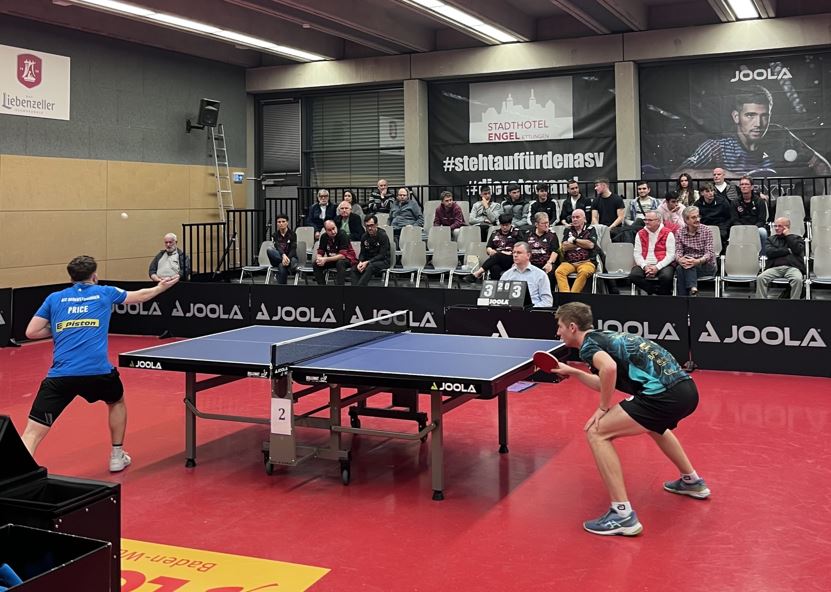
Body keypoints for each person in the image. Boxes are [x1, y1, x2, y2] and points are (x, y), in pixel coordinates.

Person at [552, 301, 710, 537]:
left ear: (572, 327)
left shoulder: (588, 346)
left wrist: (603, 408)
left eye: (560, 326)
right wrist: (574, 372)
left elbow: (609, 369)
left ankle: (622, 515)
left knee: (597, 432)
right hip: (686, 391)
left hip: (662, 396)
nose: (558, 332)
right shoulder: (605, 337)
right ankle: (692, 481)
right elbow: (605, 379)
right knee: (655, 426)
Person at [21, 255, 179, 470]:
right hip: (98, 373)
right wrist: (161, 287)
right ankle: (117, 456)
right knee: (116, 401)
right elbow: (141, 296)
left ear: (71, 277)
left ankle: (17, 474)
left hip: (60, 376)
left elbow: (31, 332)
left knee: (32, 432)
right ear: (94, 276)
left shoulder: (54, 298)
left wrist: (61, 327)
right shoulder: (105, 292)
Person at [676, 89, 773, 177]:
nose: (758, 124)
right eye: (750, 115)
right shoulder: (715, 148)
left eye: (764, 116)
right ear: (736, 117)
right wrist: (724, 175)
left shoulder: (776, 149)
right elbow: (676, 176)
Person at [462, 213, 523, 283]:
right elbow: (488, 247)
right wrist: (490, 251)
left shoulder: (517, 233)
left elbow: (522, 248)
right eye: (502, 225)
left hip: (512, 259)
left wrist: (510, 253)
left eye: (507, 225)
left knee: (497, 256)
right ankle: (496, 285)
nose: (504, 227)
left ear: (510, 224)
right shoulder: (495, 233)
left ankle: (477, 273)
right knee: (494, 267)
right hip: (497, 259)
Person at [756, 216, 805, 300]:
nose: (776, 228)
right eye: (775, 226)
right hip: (775, 268)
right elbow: (770, 253)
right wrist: (787, 250)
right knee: (761, 278)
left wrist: (788, 236)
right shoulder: (770, 239)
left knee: (797, 279)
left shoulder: (797, 238)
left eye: (780, 226)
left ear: (787, 227)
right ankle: (761, 302)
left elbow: (797, 250)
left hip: (792, 268)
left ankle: (795, 302)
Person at [630, 210, 676, 295]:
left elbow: (671, 255)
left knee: (666, 277)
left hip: (663, 263)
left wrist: (657, 267)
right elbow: (637, 254)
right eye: (645, 220)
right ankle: (654, 291)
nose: (646, 222)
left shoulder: (668, 233)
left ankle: (664, 296)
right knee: (634, 276)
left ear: (658, 221)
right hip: (645, 263)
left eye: (650, 220)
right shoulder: (640, 233)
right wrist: (644, 266)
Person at [674, 206, 716, 296]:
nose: (697, 219)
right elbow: (678, 251)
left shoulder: (706, 230)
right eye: (693, 217)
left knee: (682, 268)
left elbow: (709, 253)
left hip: (705, 265)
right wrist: (680, 259)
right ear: (686, 220)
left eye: (698, 216)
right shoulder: (679, 232)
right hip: (688, 263)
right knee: (682, 266)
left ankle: (683, 299)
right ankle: (692, 290)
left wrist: (697, 261)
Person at [498, 242, 553, 307]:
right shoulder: (506, 275)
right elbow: (499, 299)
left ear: (528, 255)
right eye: (514, 252)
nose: (515, 255)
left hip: (532, 311)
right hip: (510, 310)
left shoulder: (541, 275)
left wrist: (531, 309)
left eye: (519, 253)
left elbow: (547, 302)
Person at [555, 208, 597, 293]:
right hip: (569, 262)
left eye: (577, 217)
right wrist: (582, 243)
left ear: (584, 218)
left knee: (584, 272)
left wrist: (574, 240)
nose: (574, 219)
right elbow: (564, 246)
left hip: (587, 262)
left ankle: (573, 295)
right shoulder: (568, 229)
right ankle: (566, 295)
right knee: (559, 272)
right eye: (573, 217)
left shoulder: (590, 229)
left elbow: (590, 245)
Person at [352, 214, 391, 287]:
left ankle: (359, 289)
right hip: (369, 260)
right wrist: (360, 262)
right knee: (354, 268)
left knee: (370, 267)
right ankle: (353, 289)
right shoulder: (364, 236)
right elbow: (362, 253)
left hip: (383, 261)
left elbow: (382, 255)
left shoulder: (383, 236)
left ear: (376, 225)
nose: (369, 228)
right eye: (367, 226)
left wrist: (368, 262)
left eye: (372, 225)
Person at [314, 219, 357, 286]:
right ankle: (322, 287)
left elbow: (342, 256)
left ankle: (339, 288)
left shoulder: (343, 235)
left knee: (340, 262)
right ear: (325, 230)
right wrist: (319, 259)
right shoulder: (324, 237)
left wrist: (325, 259)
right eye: (329, 230)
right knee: (316, 264)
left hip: (347, 259)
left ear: (336, 226)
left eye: (334, 228)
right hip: (332, 259)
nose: (333, 232)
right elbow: (320, 251)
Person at [732, 175, 768, 254]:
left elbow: (762, 220)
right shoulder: (735, 202)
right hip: (740, 228)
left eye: (746, 184)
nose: (744, 186)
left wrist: (752, 229)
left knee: (763, 232)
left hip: (756, 228)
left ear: (751, 187)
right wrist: (744, 229)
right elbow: (734, 220)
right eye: (742, 184)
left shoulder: (759, 201)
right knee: (732, 232)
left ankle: (763, 257)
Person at [694, 182, 733, 249]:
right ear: (702, 193)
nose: (711, 193)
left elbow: (729, 217)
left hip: (720, 226)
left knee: (721, 235)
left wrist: (725, 227)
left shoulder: (723, 201)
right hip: (705, 226)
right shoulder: (698, 204)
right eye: (707, 191)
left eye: (712, 191)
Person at [526, 212, 559, 284]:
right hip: (531, 263)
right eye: (543, 223)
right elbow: (524, 249)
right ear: (536, 224)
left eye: (547, 222)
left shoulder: (552, 235)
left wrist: (549, 263)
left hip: (545, 262)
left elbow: (555, 251)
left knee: (550, 271)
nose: (546, 225)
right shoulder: (528, 234)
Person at [266, 213, 299, 285]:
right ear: (277, 223)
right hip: (278, 257)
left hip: (291, 258)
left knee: (281, 265)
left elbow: (293, 249)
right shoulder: (275, 235)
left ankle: (282, 288)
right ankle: (286, 265)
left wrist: (287, 258)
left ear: (287, 222)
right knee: (269, 250)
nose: (281, 224)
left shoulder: (293, 234)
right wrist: (283, 256)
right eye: (279, 222)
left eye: (283, 221)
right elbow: (278, 247)